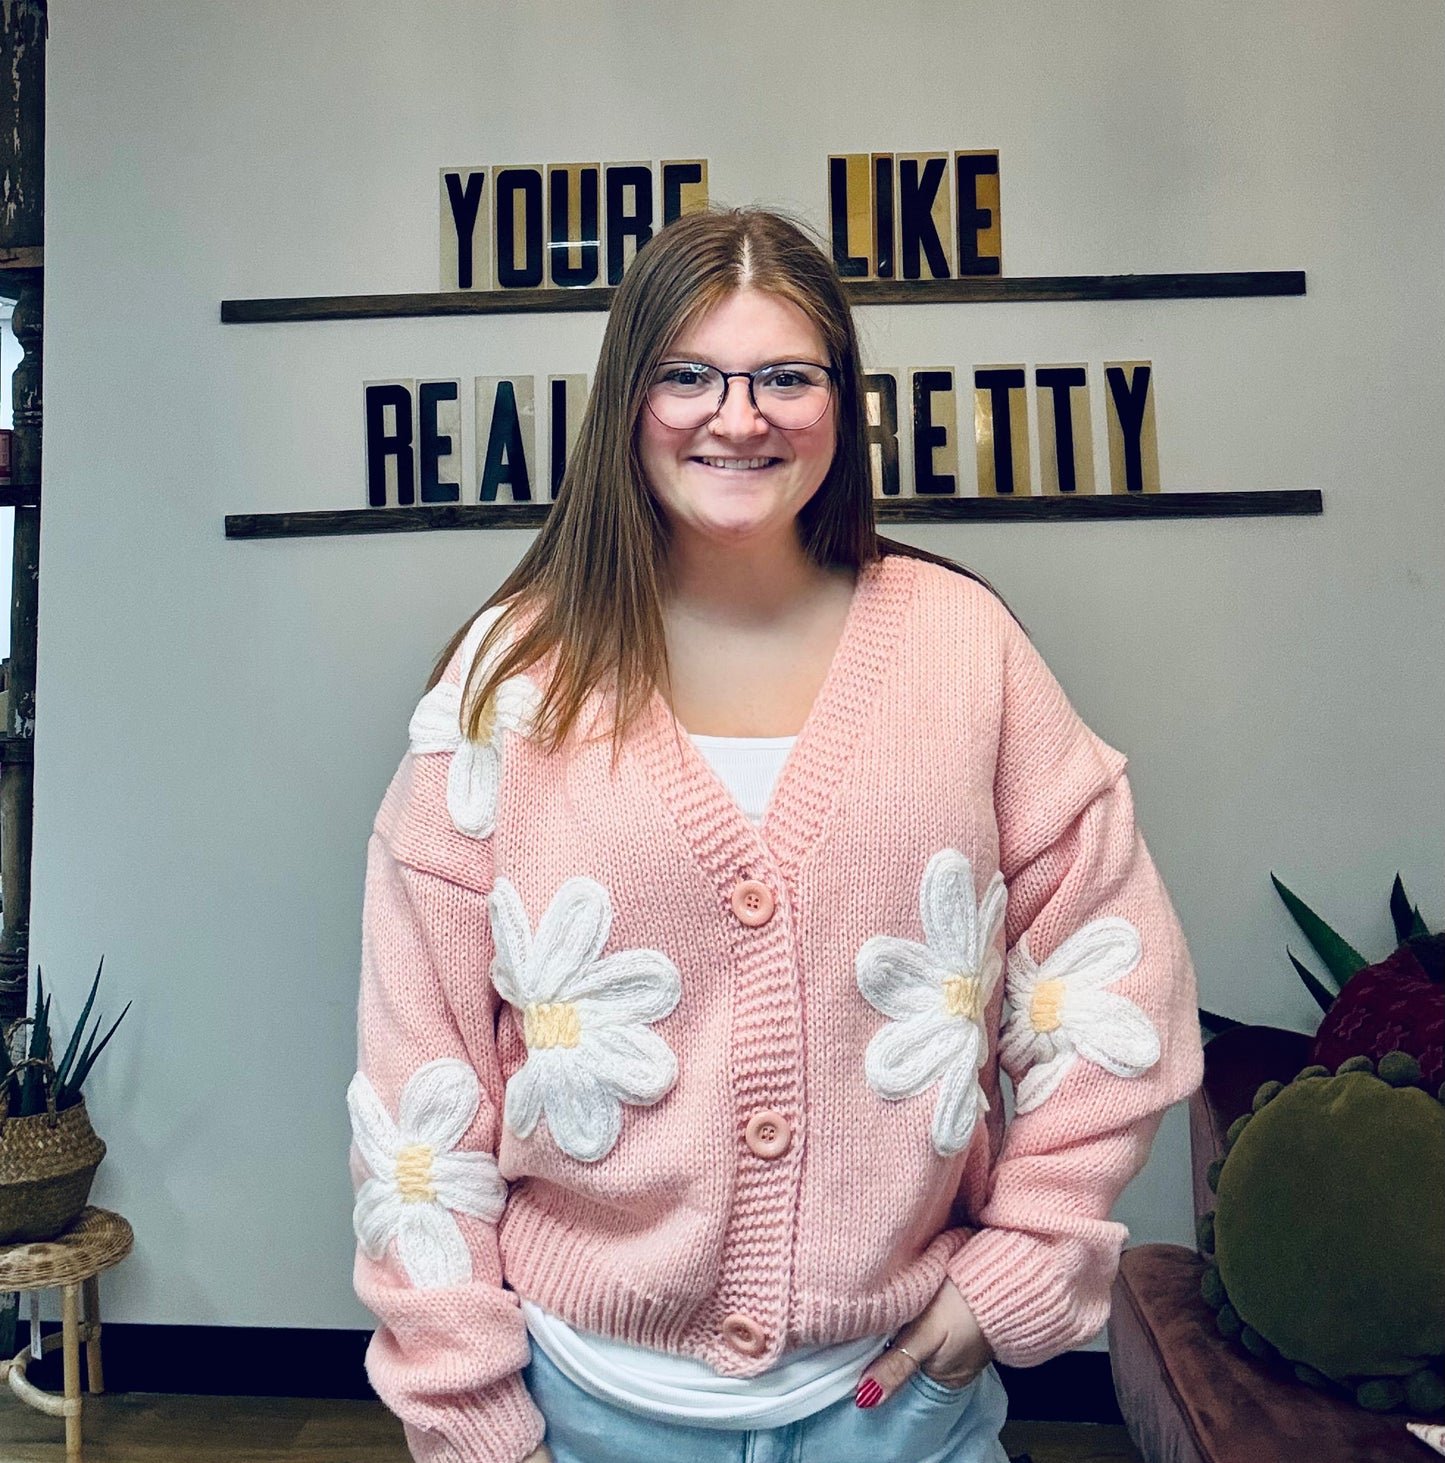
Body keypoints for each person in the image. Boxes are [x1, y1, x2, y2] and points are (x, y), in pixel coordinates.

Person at [348, 208, 1203, 1463]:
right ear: (626, 398)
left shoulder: (964, 648)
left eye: (784, 376)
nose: (734, 416)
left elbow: (1110, 969)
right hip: (582, 1406)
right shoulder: (509, 680)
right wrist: (469, 1414)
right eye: (686, 373)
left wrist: (1021, 1261)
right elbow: (416, 1085)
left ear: (840, 402)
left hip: (903, 1402)